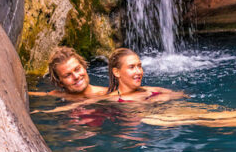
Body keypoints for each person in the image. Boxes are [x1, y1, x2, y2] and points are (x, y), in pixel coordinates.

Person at [31, 46, 184, 109]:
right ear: (60, 82)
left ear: (84, 67)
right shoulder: (57, 95)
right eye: (68, 75)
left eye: (77, 69)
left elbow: (135, 94)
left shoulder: (104, 94)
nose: (76, 76)